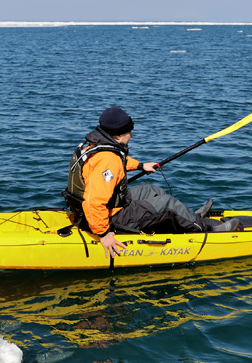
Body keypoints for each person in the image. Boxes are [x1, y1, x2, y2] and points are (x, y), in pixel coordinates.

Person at [64, 107, 239, 257]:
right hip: (109, 217)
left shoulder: (94, 144)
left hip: (105, 206)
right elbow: (94, 201)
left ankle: (191, 217)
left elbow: (119, 162)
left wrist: (141, 166)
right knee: (167, 205)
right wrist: (103, 234)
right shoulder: (107, 160)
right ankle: (208, 230)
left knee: (150, 189)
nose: (131, 136)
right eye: (128, 132)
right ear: (117, 137)